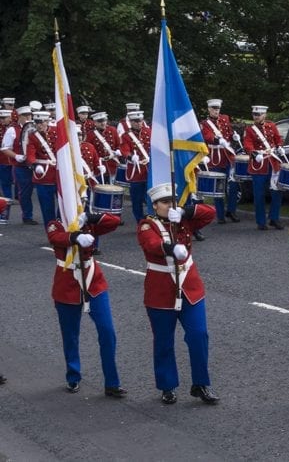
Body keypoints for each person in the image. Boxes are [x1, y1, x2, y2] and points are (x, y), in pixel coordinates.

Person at [137, 182, 219, 405]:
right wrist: (170, 248)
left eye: (173, 201)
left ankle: (201, 383)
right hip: (161, 289)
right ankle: (167, 385)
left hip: (190, 286)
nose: (169, 205)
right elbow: (151, 244)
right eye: (165, 202)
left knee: (198, 335)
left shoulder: (182, 220)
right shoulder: (147, 225)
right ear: (155, 206)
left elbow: (210, 213)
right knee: (164, 341)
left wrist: (186, 210)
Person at [46, 210, 127, 397]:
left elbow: (114, 222)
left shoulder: (86, 222)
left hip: (94, 282)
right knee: (70, 335)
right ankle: (73, 376)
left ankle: (112, 382)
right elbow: (55, 237)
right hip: (66, 284)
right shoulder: (55, 223)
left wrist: (91, 217)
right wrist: (74, 236)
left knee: (107, 331)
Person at [242, 105, 285, 231]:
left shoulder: (271, 126)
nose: (256, 117)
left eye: (259, 114)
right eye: (254, 115)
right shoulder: (250, 130)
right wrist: (254, 154)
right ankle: (261, 221)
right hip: (259, 165)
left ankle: (274, 218)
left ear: (264, 115)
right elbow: (247, 144)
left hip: (273, 163)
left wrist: (280, 146)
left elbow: (278, 139)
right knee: (259, 194)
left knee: (277, 191)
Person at [200, 99, 241, 224]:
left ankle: (231, 210)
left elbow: (228, 131)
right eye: (213, 108)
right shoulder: (204, 123)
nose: (216, 111)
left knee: (233, 184)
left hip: (227, 156)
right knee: (218, 186)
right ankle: (220, 214)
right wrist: (217, 140)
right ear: (209, 109)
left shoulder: (225, 118)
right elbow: (206, 136)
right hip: (215, 157)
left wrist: (234, 136)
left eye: (217, 109)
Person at [3, 106, 37, 224]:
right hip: (21, 165)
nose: (28, 118)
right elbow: (5, 148)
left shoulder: (35, 128)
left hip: (37, 164)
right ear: (20, 117)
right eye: (25, 116)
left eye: (30, 115)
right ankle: (27, 216)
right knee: (25, 192)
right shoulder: (12, 130)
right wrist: (16, 156)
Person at [26, 111, 58, 225]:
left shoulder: (57, 132)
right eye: (37, 122)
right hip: (44, 175)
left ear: (47, 121)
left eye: (41, 122)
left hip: (60, 174)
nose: (39, 125)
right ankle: (52, 232)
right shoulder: (33, 136)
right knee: (47, 208)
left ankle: (64, 230)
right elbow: (30, 153)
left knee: (65, 205)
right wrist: (34, 164)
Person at [119, 110, 152, 222]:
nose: (139, 123)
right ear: (131, 122)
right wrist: (131, 156)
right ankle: (140, 220)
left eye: (140, 121)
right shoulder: (126, 136)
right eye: (136, 121)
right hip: (136, 171)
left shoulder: (149, 131)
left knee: (151, 196)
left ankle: (152, 217)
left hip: (149, 169)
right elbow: (124, 150)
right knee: (137, 198)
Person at [86, 112, 120, 185]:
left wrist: (118, 151)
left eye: (104, 121)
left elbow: (119, 145)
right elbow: (89, 151)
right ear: (95, 123)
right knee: (99, 187)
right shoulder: (90, 134)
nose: (103, 123)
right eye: (100, 121)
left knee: (112, 188)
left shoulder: (112, 130)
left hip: (112, 163)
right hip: (99, 164)